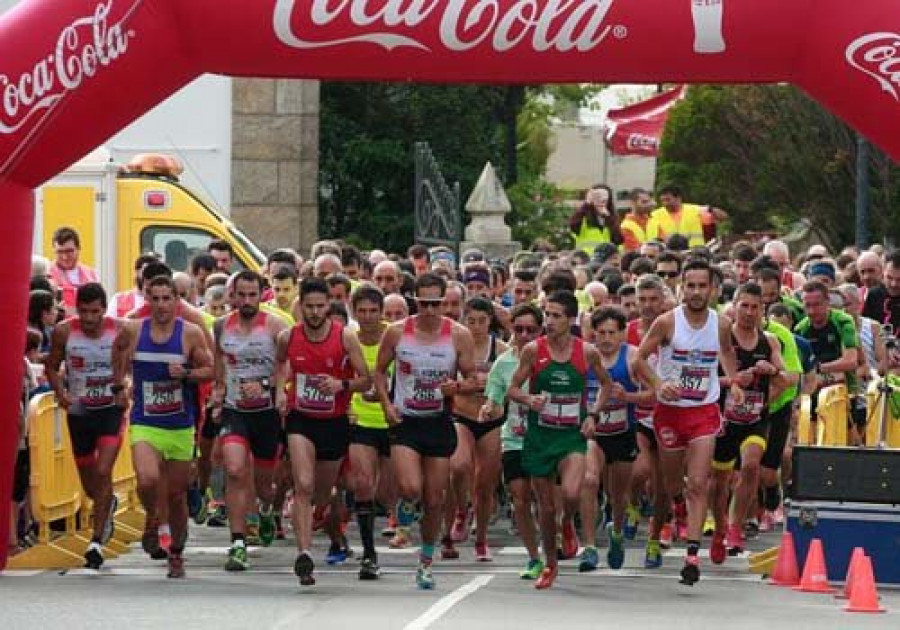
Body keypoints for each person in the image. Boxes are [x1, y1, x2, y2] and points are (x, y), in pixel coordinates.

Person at [634, 258, 741, 586]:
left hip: (703, 410)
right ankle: (677, 507)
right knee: (670, 485)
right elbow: (638, 358)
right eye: (690, 285)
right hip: (669, 411)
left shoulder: (721, 323)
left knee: (698, 482)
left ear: (712, 289)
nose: (696, 292)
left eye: (702, 286)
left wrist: (734, 382)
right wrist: (657, 384)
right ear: (682, 287)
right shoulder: (667, 323)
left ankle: (693, 555)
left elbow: (726, 353)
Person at [374, 272, 476, 590]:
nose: (431, 310)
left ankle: (427, 560)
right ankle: (406, 504)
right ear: (415, 300)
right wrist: (386, 406)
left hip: (439, 422)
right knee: (410, 488)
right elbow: (378, 371)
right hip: (406, 420)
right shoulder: (396, 333)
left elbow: (474, 380)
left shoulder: (458, 335)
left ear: (444, 301)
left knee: (435, 498)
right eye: (425, 303)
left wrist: (456, 386)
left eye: (437, 303)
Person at [507, 290, 613, 589]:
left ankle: (569, 524)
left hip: (571, 436)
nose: (549, 321)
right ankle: (550, 566)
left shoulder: (587, 352)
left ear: (570, 319)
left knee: (570, 493)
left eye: (555, 315)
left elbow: (607, 385)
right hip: (540, 437)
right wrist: (529, 398)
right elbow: (512, 389)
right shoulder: (533, 350)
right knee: (545, 509)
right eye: (547, 314)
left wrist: (593, 413)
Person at [112, 275, 214, 578]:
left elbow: (210, 370)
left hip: (180, 424)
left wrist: (186, 373)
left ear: (176, 301)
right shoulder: (133, 330)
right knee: (146, 479)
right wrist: (120, 385)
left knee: (177, 496)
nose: (160, 305)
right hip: (145, 420)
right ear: (147, 300)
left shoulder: (191, 333)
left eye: (166, 298)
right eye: (154, 299)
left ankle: (177, 552)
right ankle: (154, 518)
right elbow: (117, 353)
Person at [276, 277, 371, 587]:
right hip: (301, 418)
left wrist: (340, 385)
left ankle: (312, 512)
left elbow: (365, 380)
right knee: (303, 484)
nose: (315, 312)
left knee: (320, 492)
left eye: (320, 306)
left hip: (334, 420)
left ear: (329, 306)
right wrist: (280, 391)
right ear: (300, 307)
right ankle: (304, 554)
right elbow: (280, 365)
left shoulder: (345, 337)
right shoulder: (288, 336)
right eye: (309, 307)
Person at [211, 271, 288, 571]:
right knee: (234, 469)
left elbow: (288, 368)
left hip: (266, 414)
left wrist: (268, 386)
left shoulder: (275, 327)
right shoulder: (221, 327)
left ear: (261, 295)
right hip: (235, 410)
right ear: (232, 296)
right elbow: (219, 366)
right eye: (240, 295)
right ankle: (238, 542)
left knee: (265, 486)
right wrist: (218, 394)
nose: (245, 301)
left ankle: (267, 509)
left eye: (251, 295)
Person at [45, 283, 126, 569]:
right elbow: (51, 366)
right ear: (76, 309)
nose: (90, 318)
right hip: (79, 412)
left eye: (95, 312)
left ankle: (95, 543)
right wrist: (61, 393)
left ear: (104, 310)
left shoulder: (121, 329)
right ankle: (107, 504)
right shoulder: (65, 331)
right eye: (84, 312)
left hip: (110, 412)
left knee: (104, 470)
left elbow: (134, 365)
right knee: (91, 484)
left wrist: (126, 388)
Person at [709, 283, 785, 561]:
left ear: (762, 310)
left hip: (755, 418)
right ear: (735, 306)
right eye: (745, 306)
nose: (750, 312)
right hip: (723, 419)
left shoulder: (770, 341)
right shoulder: (721, 339)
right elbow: (703, 379)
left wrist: (772, 370)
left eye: (756, 307)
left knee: (752, 464)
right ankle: (718, 528)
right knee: (718, 483)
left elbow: (788, 378)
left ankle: (734, 527)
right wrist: (731, 381)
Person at [579, 307, 654, 572]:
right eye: (601, 333)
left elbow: (654, 394)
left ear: (622, 333)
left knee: (618, 496)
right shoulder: (584, 356)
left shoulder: (633, 357)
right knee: (588, 480)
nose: (606, 338)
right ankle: (588, 547)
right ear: (593, 333)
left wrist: (629, 398)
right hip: (594, 434)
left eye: (612, 332)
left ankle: (617, 532)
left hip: (623, 433)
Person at [479, 303, 545, 579]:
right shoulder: (504, 363)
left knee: (548, 501)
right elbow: (492, 399)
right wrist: (489, 408)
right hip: (515, 439)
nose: (524, 334)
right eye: (518, 329)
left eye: (531, 329)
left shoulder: (552, 359)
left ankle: (554, 541)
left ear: (541, 330)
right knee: (520, 499)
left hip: (547, 440)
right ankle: (534, 557)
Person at [443, 297, 507, 561]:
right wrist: (469, 386)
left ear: (490, 321)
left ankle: (481, 539)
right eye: (471, 321)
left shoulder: (501, 350)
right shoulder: (454, 347)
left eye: (482, 321)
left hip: (492, 420)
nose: (477, 326)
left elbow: (507, 385)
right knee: (458, 467)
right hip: (462, 415)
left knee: (485, 484)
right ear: (463, 320)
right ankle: (460, 510)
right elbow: (447, 382)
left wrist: (486, 387)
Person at [347, 285, 391, 579]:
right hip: (360, 420)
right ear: (354, 312)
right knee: (363, 484)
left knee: (388, 494)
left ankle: (399, 515)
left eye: (373, 311)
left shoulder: (395, 337)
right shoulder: (348, 340)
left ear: (381, 312)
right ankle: (369, 554)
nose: (367, 317)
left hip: (393, 421)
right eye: (361, 311)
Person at [646, 186, 726, 248]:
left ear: (678, 198)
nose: (665, 204)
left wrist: (710, 209)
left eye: (668, 200)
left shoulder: (696, 210)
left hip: (695, 251)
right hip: (668, 254)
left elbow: (723, 217)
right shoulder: (655, 215)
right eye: (662, 201)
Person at [48, 227, 100, 313]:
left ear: (78, 248)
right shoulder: (48, 274)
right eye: (60, 252)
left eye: (69, 251)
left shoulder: (91, 274)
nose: (65, 257)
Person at [568, 184, 623, 254]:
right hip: (586, 260)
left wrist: (609, 218)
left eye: (604, 199)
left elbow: (618, 240)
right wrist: (586, 204)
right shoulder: (583, 217)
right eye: (597, 198)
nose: (601, 202)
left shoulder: (611, 218)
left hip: (606, 260)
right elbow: (573, 225)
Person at [108, 253, 160, 317]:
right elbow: (109, 324)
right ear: (137, 272)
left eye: (154, 272)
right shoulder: (118, 299)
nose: (149, 277)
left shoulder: (162, 300)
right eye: (146, 272)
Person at [620, 188, 655, 252]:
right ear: (632, 203)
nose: (648, 205)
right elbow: (633, 250)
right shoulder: (625, 226)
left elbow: (663, 243)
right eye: (644, 202)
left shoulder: (654, 221)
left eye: (649, 201)